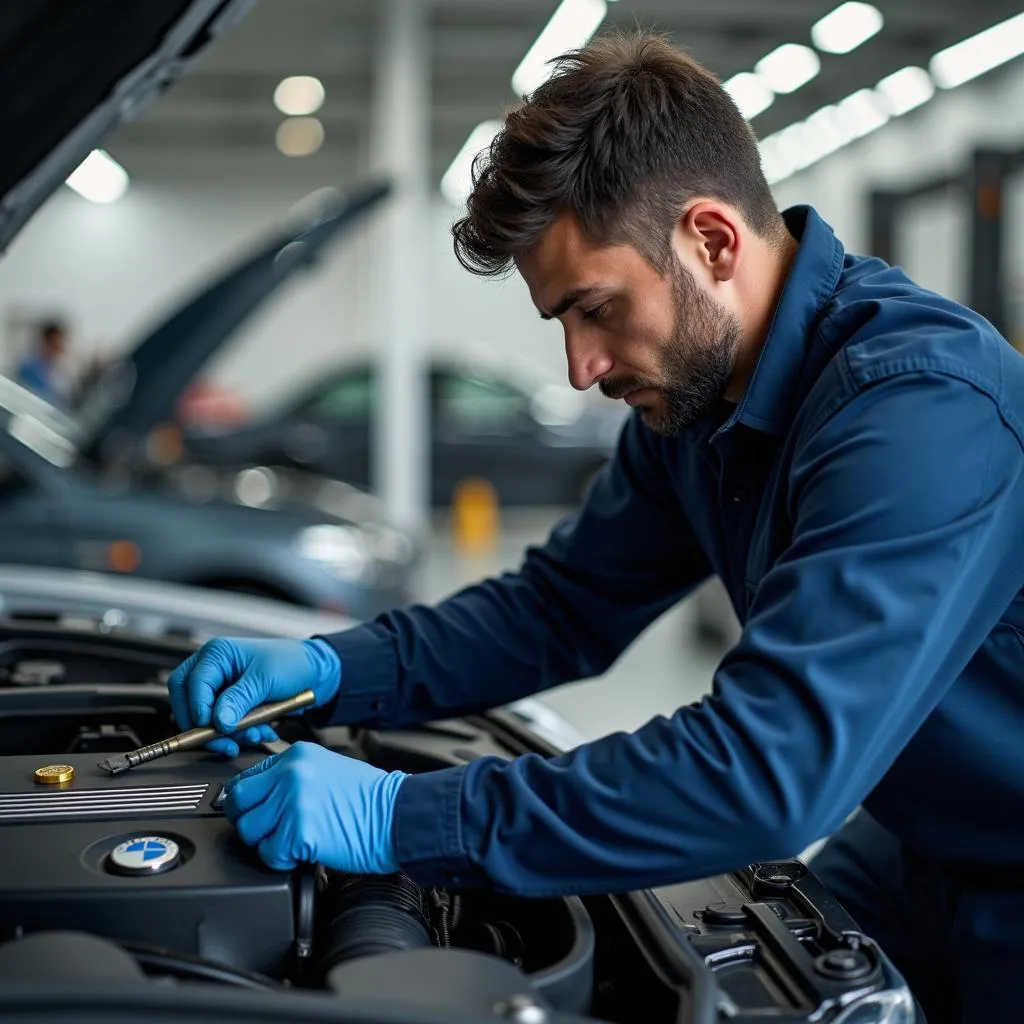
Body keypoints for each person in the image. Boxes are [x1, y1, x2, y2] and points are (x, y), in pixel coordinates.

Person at [168, 33, 1024, 1022]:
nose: (581, 367)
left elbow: (770, 771)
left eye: (596, 309)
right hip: (917, 831)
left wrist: (401, 816)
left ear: (711, 240)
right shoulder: (694, 405)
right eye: (560, 325)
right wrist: (327, 668)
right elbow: (559, 607)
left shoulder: (917, 409)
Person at [15, 319, 71, 405]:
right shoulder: (29, 366)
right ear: (46, 341)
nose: (58, 347)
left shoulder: (58, 370)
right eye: (54, 343)